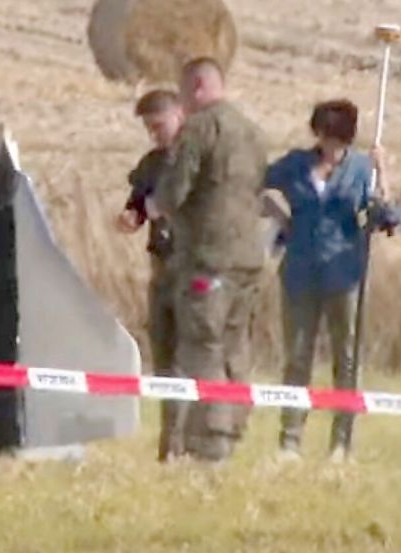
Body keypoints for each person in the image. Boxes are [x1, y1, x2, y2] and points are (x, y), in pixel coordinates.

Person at [152, 57, 269, 464]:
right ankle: (234, 429)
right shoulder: (253, 132)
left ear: (198, 87)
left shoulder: (200, 127)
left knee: (203, 345)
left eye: (183, 91)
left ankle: (209, 442)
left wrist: (154, 205)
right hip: (249, 259)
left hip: (207, 258)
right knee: (236, 345)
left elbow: (174, 192)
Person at [264, 99, 388, 462]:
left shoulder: (362, 168)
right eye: (325, 136)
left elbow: (378, 214)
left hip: (345, 273)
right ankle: (290, 440)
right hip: (299, 271)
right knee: (297, 355)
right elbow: (254, 182)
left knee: (346, 357)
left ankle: (341, 443)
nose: (331, 146)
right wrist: (279, 216)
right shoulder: (295, 164)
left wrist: (383, 173)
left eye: (338, 139)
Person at [115, 88, 186, 462]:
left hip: (194, 267)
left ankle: (193, 441)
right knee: (164, 355)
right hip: (162, 265)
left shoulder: (198, 159)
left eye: (158, 125)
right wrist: (132, 217)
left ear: (179, 115)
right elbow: (138, 205)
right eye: (148, 128)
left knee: (193, 354)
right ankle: (169, 442)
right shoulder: (151, 164)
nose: (154, 134)